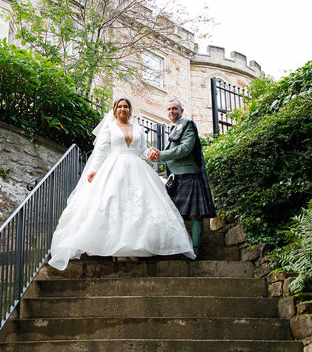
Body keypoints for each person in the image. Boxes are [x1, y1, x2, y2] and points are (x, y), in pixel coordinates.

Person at [48, 97, 196, 271]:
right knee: (111, 202)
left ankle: (137, 246)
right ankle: (112, 246)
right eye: (119, 106)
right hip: (113, 168)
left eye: (126, 106)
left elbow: (143, 150)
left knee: (139, 205)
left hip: (137, 167)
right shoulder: (109, 128)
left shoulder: (139, 129)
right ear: (115, 110)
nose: (123, 109)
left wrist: (153, 154)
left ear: (130, 110)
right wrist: (94, 170)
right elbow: (102, 150)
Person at [148, 99, 216, 255]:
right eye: (169, 109)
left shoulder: (188, 124)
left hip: (188, 175)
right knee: (169, 211)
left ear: (181, 110)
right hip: (176, 177)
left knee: (194, 214)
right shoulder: (174, 128)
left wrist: (161, 155)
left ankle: (196, 250)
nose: (171, 111)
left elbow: (185, 148)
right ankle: (173, 247)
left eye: (174, 108)